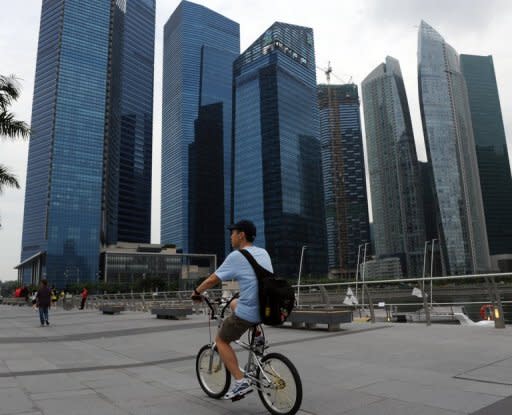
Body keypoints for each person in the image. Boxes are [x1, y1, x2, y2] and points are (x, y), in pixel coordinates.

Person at [191, 219, 272, 400]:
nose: (230, 237)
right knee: (234, 303)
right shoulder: (263, 252)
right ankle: (257, 335)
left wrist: (197, 292)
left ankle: (240, 381)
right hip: (267, 308)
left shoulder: (237, 256)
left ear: (241, 235)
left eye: (233, 233)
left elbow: (213, 279)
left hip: (250, 312)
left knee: (221, 340)